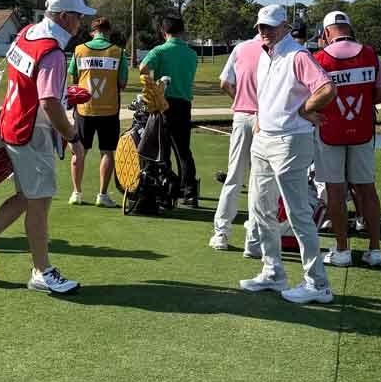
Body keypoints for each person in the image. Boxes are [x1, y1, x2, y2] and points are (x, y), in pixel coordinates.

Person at [0, 0, 92, 294]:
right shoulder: (54, 52)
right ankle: (42, 272)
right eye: (78, 17)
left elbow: (34, 87)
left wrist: (60, 96)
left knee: (26, 197)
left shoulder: (28, 32)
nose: (80, 23)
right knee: (39, 203)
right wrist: (73, 137)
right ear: (63, 17)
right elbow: (49, 103)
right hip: (32, 132)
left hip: (13, 123)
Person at [239, 4, 337, 304]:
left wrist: (306, 109)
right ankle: (273, 271)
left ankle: (317, 282)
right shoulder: (265, 55)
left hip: (290, 141)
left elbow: (326, 89)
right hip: (264, 139)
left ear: (285, 27)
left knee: (297, 212)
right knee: (260, 208)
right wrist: (259, 119)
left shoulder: (298, 55)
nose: (263, 32)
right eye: (260, 27)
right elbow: (266, 95)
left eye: (269, 27)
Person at [314, 10, 381, 268]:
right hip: (362, 131)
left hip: (329, 131)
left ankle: (342, 250)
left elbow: (311, 98)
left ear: (326, 33)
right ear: (349, 28)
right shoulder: (370, 54)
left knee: (335, 190)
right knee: (367, 189)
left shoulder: (319, 59)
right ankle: (375, 250)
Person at [209, 31, 263, 250]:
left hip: (241, 116)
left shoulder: (241, 47)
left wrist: (239, 98)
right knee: (260, 180)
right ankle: (254, 236)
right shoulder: (281, 50)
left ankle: (221, 232)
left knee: (235, 176)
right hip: (266, 119)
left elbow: (224, 82)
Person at [139, 14, 199, 207]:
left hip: (163, 103)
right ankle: (190, 193)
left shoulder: (160, 50)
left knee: (162, 149)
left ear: (164, 33)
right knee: (183, 150)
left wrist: (152, 86)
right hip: (184, 104)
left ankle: (166, 190)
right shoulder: (191, 54)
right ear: (182, 32)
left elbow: (143, 67)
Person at [67, 17, 128, 208]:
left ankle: (76, 193)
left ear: (93, 32)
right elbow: (122, 83)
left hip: (84, 109)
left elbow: (73, 78)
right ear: (108, 32)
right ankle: (102, 196)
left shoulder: (79, 50)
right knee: (107, 152)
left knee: (79, 151)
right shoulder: (118, 52)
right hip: (109, 110)